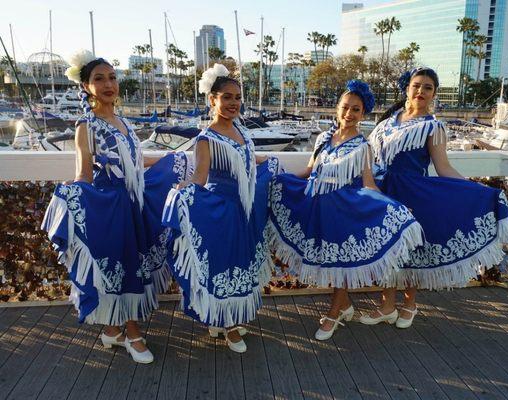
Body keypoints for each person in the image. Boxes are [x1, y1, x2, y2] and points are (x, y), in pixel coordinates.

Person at [42, 50, 191, 364]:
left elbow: (134, 161)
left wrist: (169, 161)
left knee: (130, 266)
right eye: (99, 79)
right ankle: (133, 334)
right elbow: (83, 171)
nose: (109, 84)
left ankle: (112, 330)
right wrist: (75, 198)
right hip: (110, 205)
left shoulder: (121, 121)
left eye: (112, 77)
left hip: (133, 204)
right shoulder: (87, 125)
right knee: (124, 271)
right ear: (86, 87)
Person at [268, 80, 423, 340]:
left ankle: (333, 313)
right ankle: (346, 306)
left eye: (356, 110)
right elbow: (309, 171)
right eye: (345, 108)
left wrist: (394, 207)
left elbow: (369, 184)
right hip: (317, 207)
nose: (348, 114)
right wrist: (278, 179)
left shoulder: (363, 147)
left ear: (363, 115)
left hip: (343, 211)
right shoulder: (323, 138)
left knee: (340, 264)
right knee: (325, 261)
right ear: (337, 109)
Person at [362, 67, 508, 328]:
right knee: (387, 249)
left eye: (428, 87)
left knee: (412, 250)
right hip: (382, 193)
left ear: (434, 94)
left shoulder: (433, 126)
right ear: (407, 88)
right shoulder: (386, 121)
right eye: (417, 85)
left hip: (412, 194)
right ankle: (387, 306)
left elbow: (443, 168)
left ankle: (409, 304)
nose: (421, 91)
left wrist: (475, 189)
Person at [162, 64, 280, 353]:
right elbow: (200, 177)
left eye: (237, 97)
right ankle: (227, 326)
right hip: (222, 212)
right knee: (224, 266)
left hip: (245, 212)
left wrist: (271, 163)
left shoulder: (240, 130)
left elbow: (248, 160)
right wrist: (184, 190)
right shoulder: (206, 138)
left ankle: (224, 321)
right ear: (212, 99)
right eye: (227, 97)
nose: (234, 103)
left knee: (241, 264)